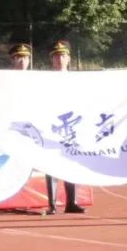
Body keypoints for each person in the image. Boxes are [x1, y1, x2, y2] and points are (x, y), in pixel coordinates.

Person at [45, 40, 85, 214]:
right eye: (56, 56)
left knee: (71, 162)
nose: (59, 59)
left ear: (69, 59)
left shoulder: (76, 79)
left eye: (63, 55)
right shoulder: (43, 80)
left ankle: (71, 201)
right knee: (50, 163)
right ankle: (52, 204)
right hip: (51, 125)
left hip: (71, 126)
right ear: (51, 60)